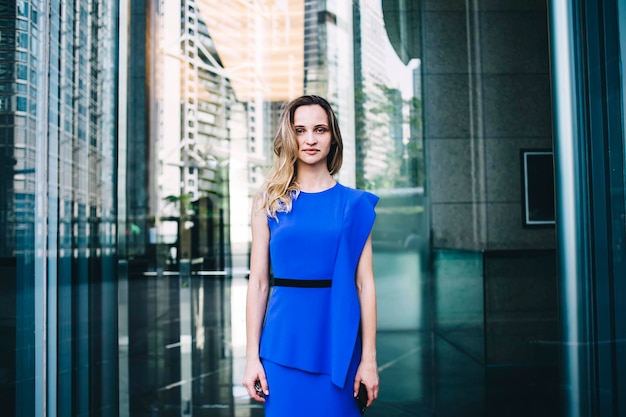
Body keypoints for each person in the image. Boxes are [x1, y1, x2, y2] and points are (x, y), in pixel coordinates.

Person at [242, 95, 380, 416]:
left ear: (333, 137)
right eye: (300, 130)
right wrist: (251, 358)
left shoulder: (354, 205)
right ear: (289, 137)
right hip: (281, 342)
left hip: (339, 341)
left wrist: (369, 359)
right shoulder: (269, 200)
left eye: (320, 129)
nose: (310, 139)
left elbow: (365, 285)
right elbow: (259, 283)